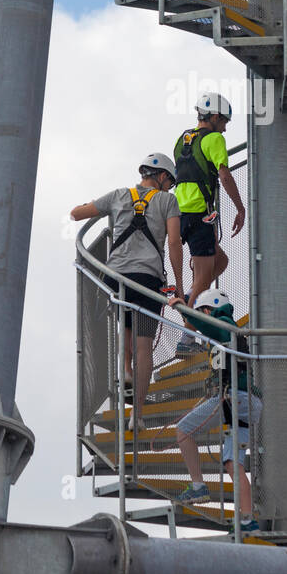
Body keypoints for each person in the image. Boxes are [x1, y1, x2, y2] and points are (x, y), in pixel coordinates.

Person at [70, 153, 184, 429]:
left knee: (126, 326)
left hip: (116, 277)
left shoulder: (119, 195)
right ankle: (138, 415)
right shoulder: (167, 201)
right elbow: (174, 242)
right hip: (146, 280)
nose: (169, 187)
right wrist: (178, 286)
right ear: (161, 176)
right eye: (169, 181)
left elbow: (76, 214)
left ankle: (126, 370)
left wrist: (95, 207)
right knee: (144, 343)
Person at [171, 290, 262, 535]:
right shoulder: (232, 335)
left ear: (208, 311)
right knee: (234, 463)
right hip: (246, 403)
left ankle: (198, 486)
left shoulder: (224, 325)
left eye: (201, 314)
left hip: (233, 397)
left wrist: (182, 307)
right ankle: (246, 520)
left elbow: (211, 328)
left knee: (183, 430)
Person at [173, 92, 246, 352]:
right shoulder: (214, 139)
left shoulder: (183, 139)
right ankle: (187, 337)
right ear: (214, 117)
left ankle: (192, 297)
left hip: (180, 213)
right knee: (204, 277)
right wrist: (240, 208)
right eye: (224, 121)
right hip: (199, 214)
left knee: (220, 261)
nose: (225, 128)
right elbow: (224, 175)